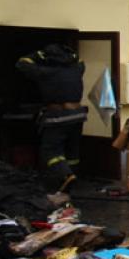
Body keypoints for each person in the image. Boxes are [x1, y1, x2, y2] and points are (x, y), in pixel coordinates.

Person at [16, 44, 88, 192]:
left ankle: (66, 175)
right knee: (72, 151)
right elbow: (80, 60)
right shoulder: (77, 69)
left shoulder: (45, 72)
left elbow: (22, 63)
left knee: (50, 150)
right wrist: (69, 53)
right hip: (78, 115)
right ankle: (72, 180)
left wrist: (39, 54)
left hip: (58, 117)